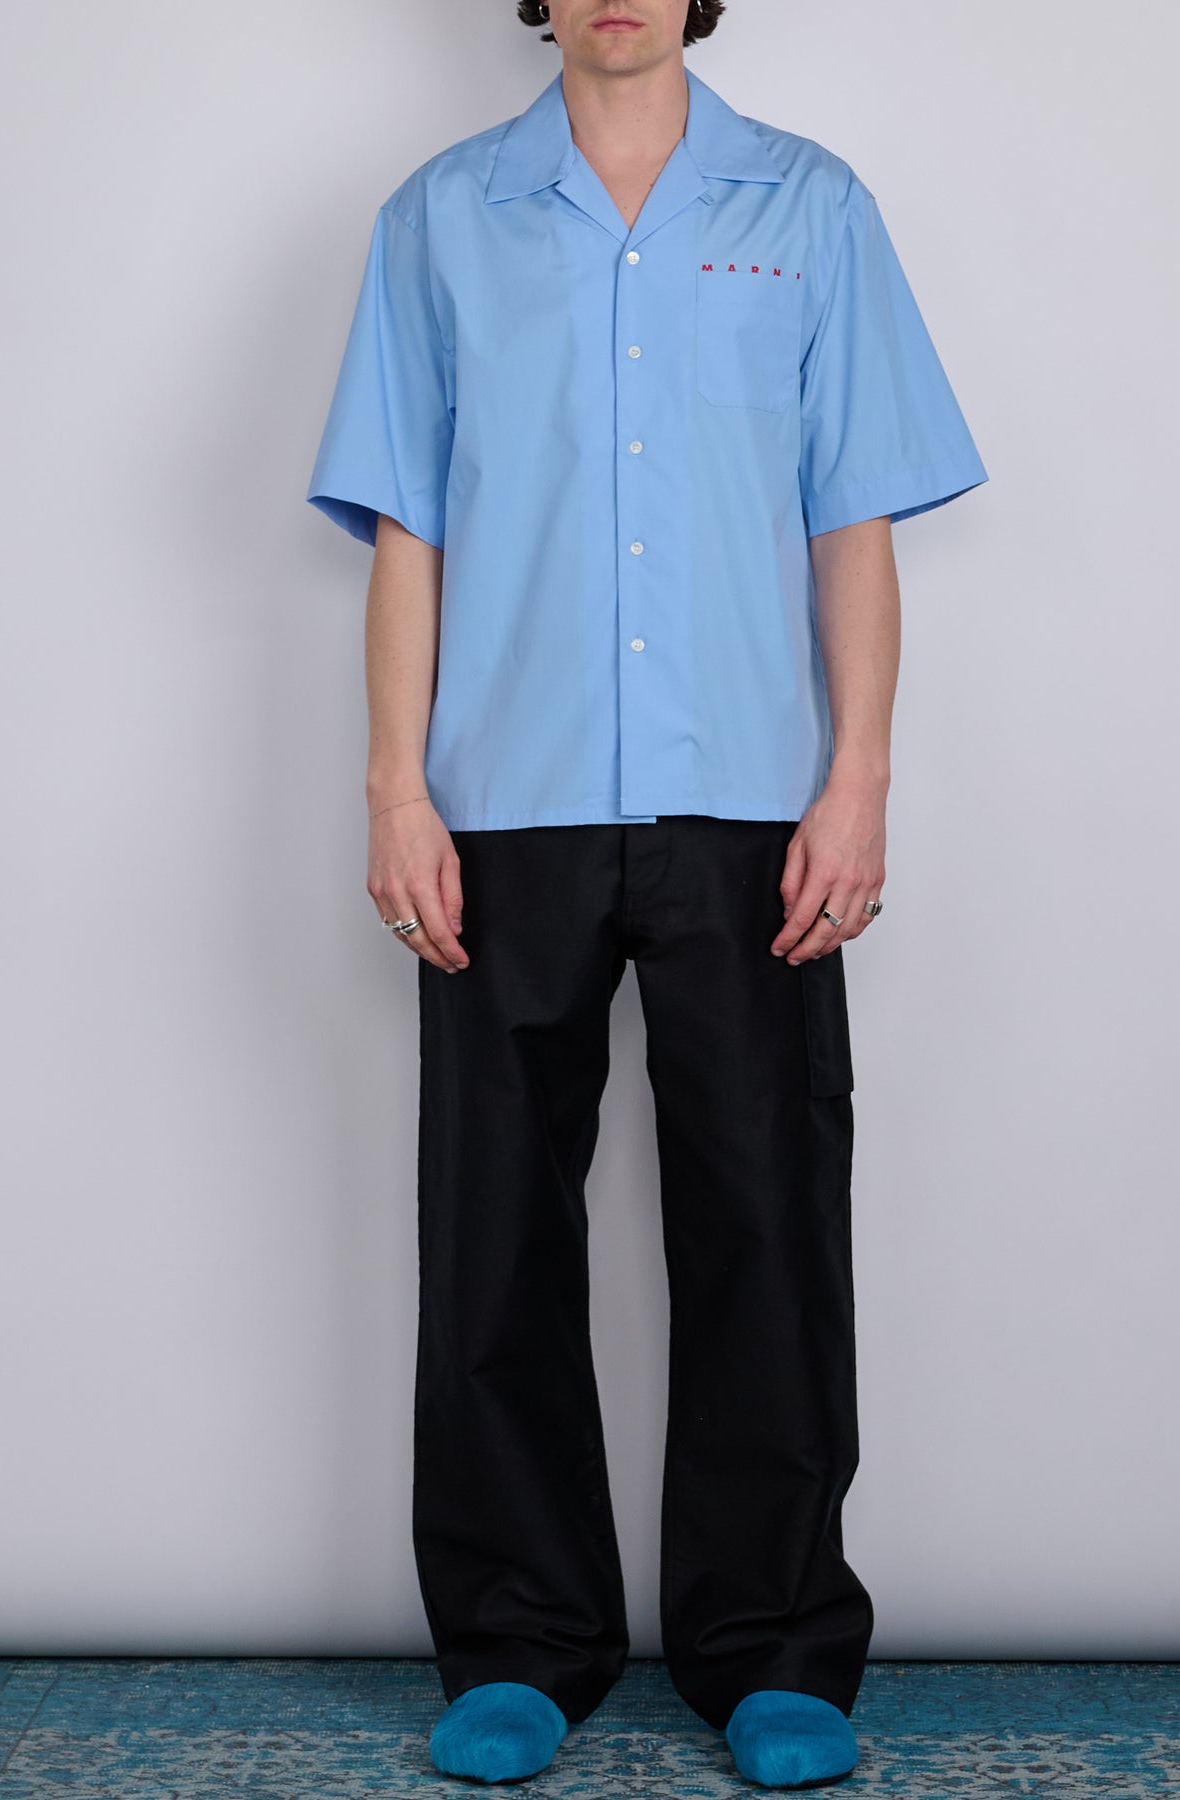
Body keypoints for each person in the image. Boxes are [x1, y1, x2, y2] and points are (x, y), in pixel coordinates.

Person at [306, 0, 986, 1786]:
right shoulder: (440, 218)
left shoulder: (811, 207)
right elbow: (409, 524)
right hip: (503, 801)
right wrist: (396, 788)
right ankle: (519, 1643)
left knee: (767, 1215)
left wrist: (858, 779)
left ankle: (772, 1649)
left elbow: (851, 516)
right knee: (496, 1231)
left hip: (751, 801)